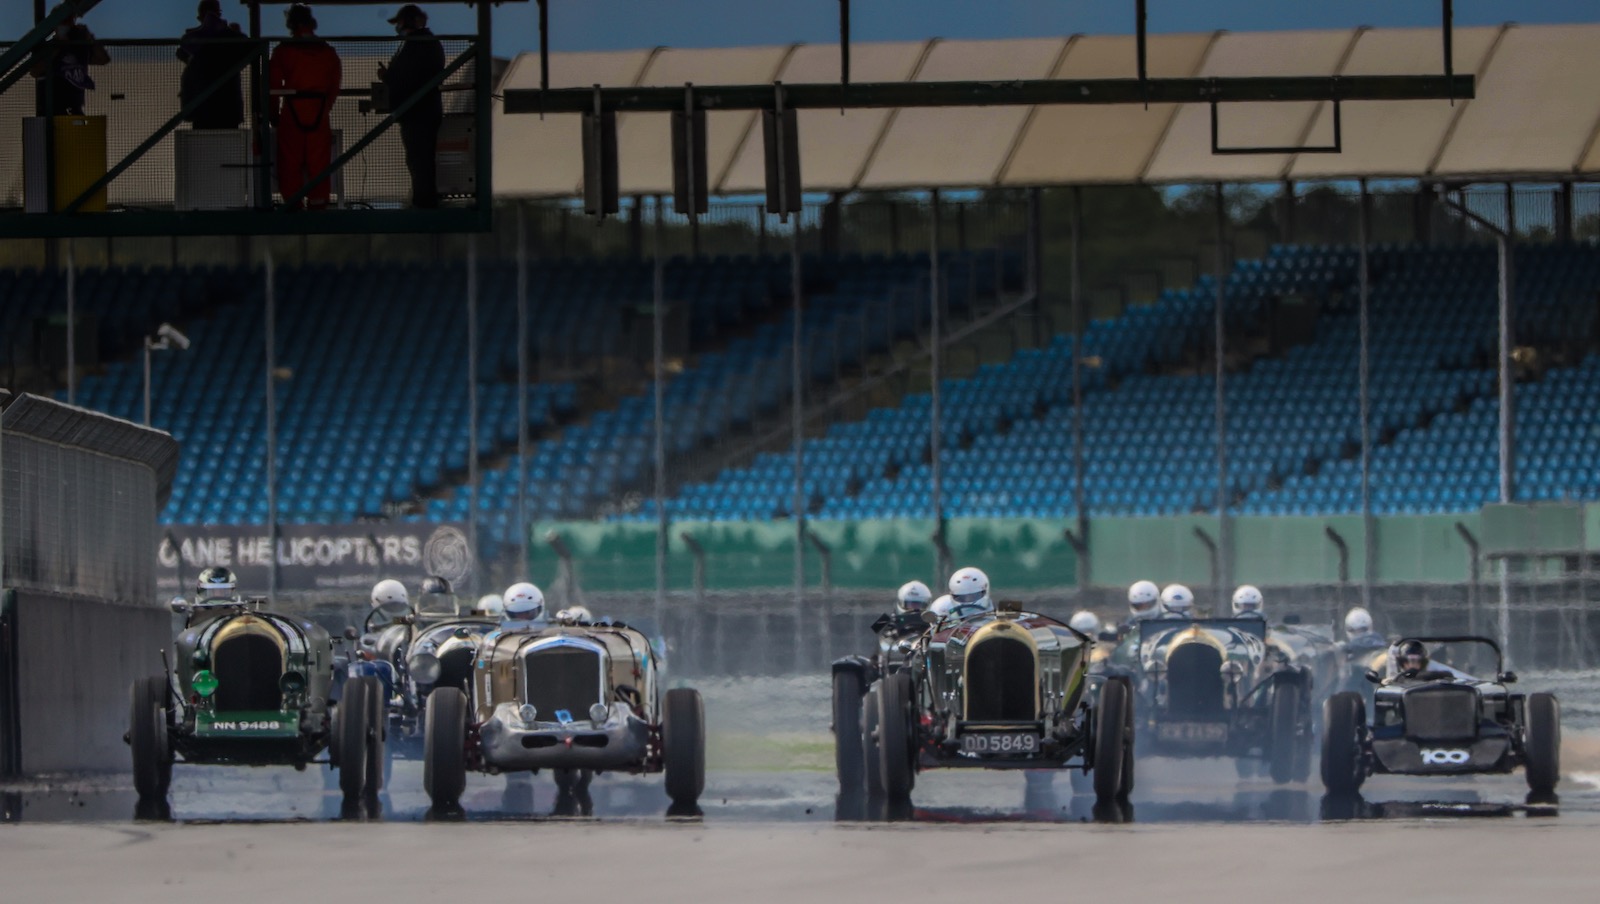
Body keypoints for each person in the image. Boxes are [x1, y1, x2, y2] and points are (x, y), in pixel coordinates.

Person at [269, 4, 341, 210]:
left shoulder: (283, 51)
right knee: (319, 160)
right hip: (319, 112)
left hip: (292, 113)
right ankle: (318, 203)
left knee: (290, 160)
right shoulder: (327, 52)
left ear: (291, 24)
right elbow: (334, 86)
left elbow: (272, 86)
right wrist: (325, 108)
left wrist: (273, 115)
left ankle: (293, 203)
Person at [379, 4, 444, 208]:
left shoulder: (418, 44)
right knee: (420, 160)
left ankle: (423, 202)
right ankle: (424, 200)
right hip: (421, 111)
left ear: (407, 21)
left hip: (418, 112)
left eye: (399, 23)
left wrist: (387, 76)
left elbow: (406, 77)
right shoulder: (425, 43)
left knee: (419, 160)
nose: (397, 28)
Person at [177, 0, 247, 129]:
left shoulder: (194, 42)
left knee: (203, 146)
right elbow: (247, 51)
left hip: (202, 109)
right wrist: (237, 33)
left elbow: (182, 53)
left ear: (200, 17)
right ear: (219, 14)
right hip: (228, 108)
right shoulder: (229, 39)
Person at [30, 13, 109, 117]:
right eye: (63, 22)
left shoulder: (79, 48)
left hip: (74, 103)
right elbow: (35, 71)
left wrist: (90, 38)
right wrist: (58, 45)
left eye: (69, 21)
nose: (66, 25)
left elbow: (102, 59)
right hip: (52, 105)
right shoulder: (46, 47)